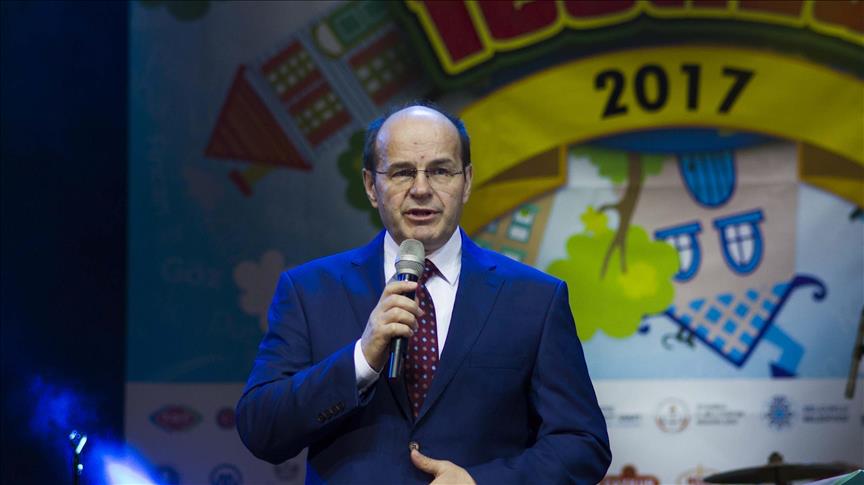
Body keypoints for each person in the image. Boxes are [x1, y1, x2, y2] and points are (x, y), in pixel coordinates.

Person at [236, 104, 611, 484]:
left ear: (466, 181)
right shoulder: (309, 291)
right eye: (402, 172)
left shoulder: (534, 299)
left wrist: (480, 482)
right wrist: (361, 360)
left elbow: (583, 444)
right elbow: (260, 429)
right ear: (371, 186)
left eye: (440, 171)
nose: (421, 189)